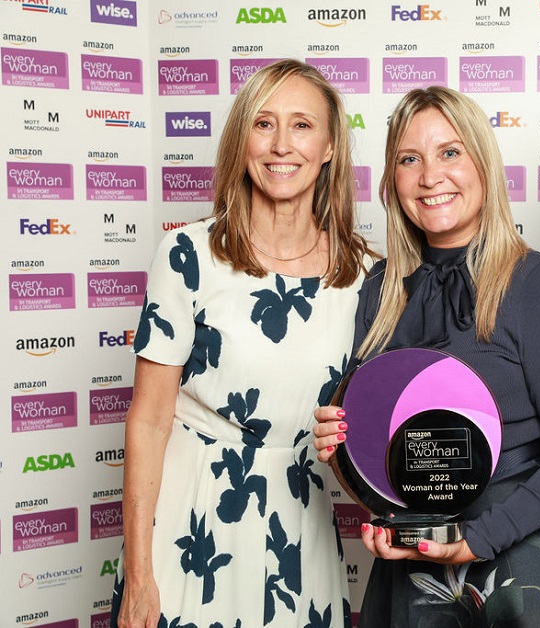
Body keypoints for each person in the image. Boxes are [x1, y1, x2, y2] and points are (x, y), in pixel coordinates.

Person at [313, 86, 540, 627]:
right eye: (410, 159)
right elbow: (390, 463)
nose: (430, 176)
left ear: (484, 166)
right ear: (391, 179)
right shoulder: (380, 290)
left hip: (524, 578)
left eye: (450, 152)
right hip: (415, 579)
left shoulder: (534, 285)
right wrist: (349, 462)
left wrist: (474, 540)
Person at [112, 59, 374, 628]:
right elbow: (149, 420)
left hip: (299, 525)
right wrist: (137, 575)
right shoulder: (188, 256)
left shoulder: (364, 276)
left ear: (330, 146)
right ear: (242, 140)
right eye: (263, 123)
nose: (282, 144)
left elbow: (377, 424)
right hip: (192, 523)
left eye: (302, 125)